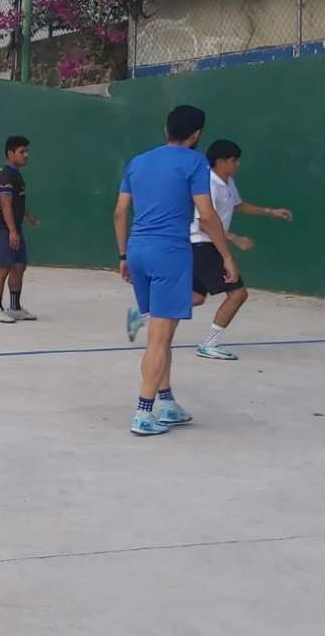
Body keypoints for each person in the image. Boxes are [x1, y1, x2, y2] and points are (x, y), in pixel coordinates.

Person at [113, 105, 236, 436]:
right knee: (158, 338)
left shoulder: (137, 161)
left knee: (159, 331)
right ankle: (143, 413)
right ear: (196, 134)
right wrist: (226, 255)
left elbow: (120, 213)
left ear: (166, 129)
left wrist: (123, 255)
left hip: (137, 250)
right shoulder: (195, 162)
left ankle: (166, 403)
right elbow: (207, 216)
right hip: (169, 253)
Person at [187, 139, 294, 360]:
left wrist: (270, 211)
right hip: (202, 244)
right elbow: (205, 222)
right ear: (220, 161)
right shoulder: (208, 184)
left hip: (207, 245)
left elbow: (238, 205)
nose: (238, 165)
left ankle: (145, 314)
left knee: (196, 297)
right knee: (238, 294)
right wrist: (234, 239)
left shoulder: (227, 182)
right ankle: (209, 344)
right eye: (234, 160)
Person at [0, 136, 41, 323]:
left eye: (27, 151)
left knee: (19, 266)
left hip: (13, 227)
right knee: (3, 268)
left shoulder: (16, 174)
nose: (26, 155)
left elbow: (16, 202)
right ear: (10, 154)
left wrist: (28, 216)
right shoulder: (5, 176)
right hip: (2, 228)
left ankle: (15, 307)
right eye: (22, 152)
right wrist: (12, 231)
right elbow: (6, 205)